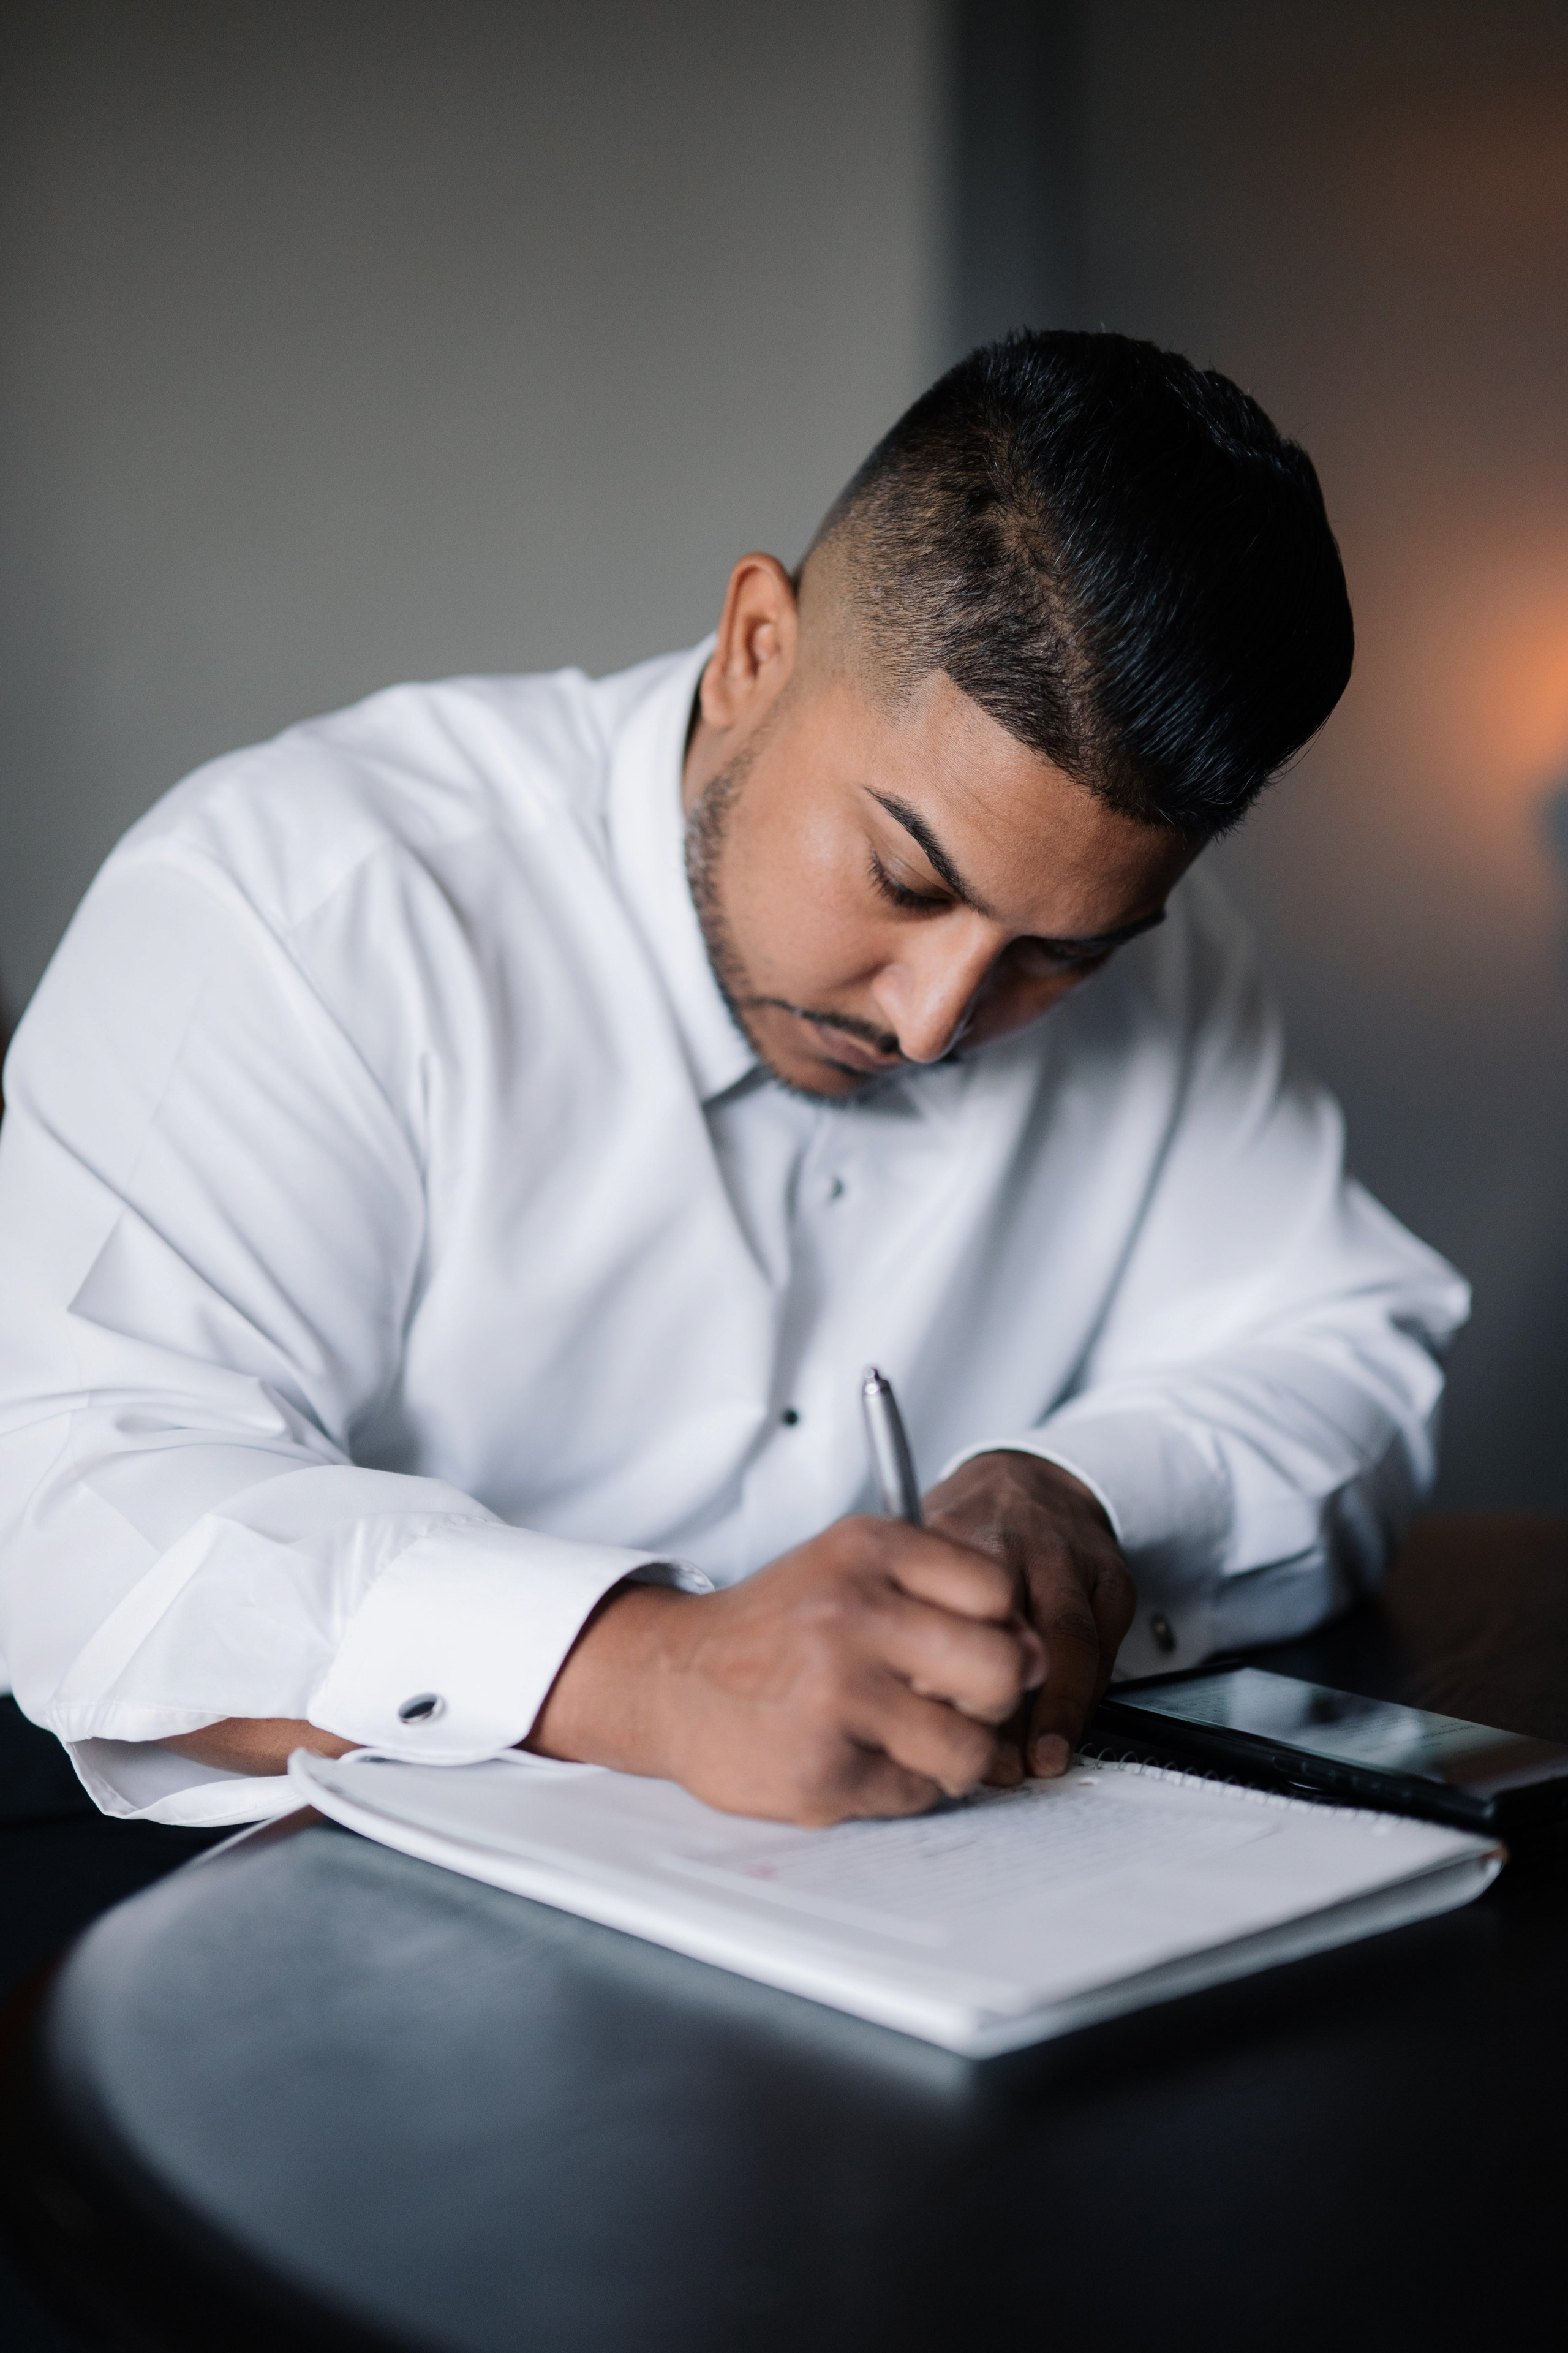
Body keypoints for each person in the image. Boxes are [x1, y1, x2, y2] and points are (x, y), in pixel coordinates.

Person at [0, 332, 1466, 1830]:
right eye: (903, 878)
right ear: (755, 645)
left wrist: (1081, 1493)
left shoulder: (1161, 963)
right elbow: (70, 1510)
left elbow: (1345, 1351)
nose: (935, 1023)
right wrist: (650, 1674)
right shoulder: (300, 906)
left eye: (1060, 956)